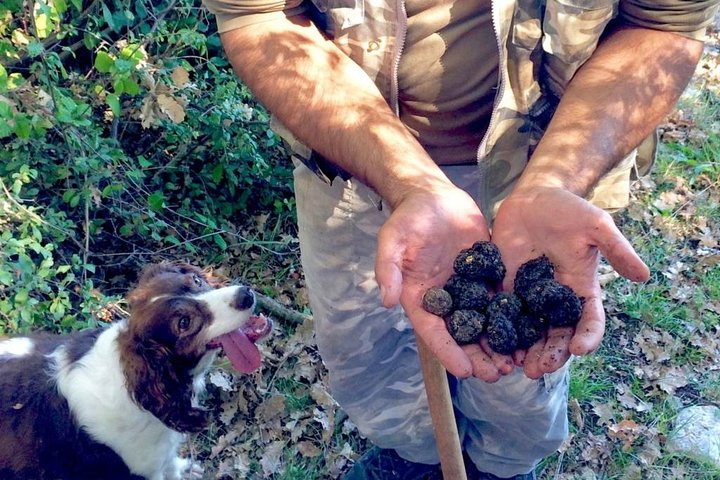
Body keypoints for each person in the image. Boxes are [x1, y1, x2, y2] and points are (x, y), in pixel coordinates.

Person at [200, 0, 719, 478]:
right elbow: (260, 15)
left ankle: (500, 468)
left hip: (545, 157)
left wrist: (554, 180)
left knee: (520, 390)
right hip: (347, 159)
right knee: (366, 361)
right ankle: (411, 459)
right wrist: (412, 182)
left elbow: (663, 21)